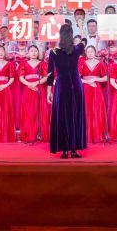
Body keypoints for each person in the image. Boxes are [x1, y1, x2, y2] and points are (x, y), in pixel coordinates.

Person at [46, 23, 87, 158]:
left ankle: (64, 150)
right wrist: (81, 26)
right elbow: (84, 40)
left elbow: (50, 73)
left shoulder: (54, 52)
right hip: (76, 86)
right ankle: (74, 149)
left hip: (62, 86)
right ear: (71, 36)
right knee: (75, 115)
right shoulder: (76, 49)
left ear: (60, 36)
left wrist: (49, 91)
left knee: (62, 116)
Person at [18, 45, 50, 143]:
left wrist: (36, 83)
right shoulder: (23, 64)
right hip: (28, 89)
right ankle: (29, 134)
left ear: (38, 53)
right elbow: (21, 77)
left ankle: (40, 134)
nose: (34, 53)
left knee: (40, 111)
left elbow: (46, 77)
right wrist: (29, 84)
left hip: (39, 89)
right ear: (28, 53)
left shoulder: (43, 64)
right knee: (29, 111)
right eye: (31, 51)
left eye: (35, 51)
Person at [78, 44, 108, 143]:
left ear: (95, 53)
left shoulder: (100, 63)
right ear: (86, 53)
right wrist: (88, 82)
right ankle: (86, 135)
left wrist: (95, 79)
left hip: (96, 89)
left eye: (92, 51)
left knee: (97, 109)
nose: (90, 53)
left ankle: (97, 134)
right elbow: (77, 78)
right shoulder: (82, 63)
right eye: (88, 52)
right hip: (85, 88)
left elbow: (106, 78)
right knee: (86, 110)